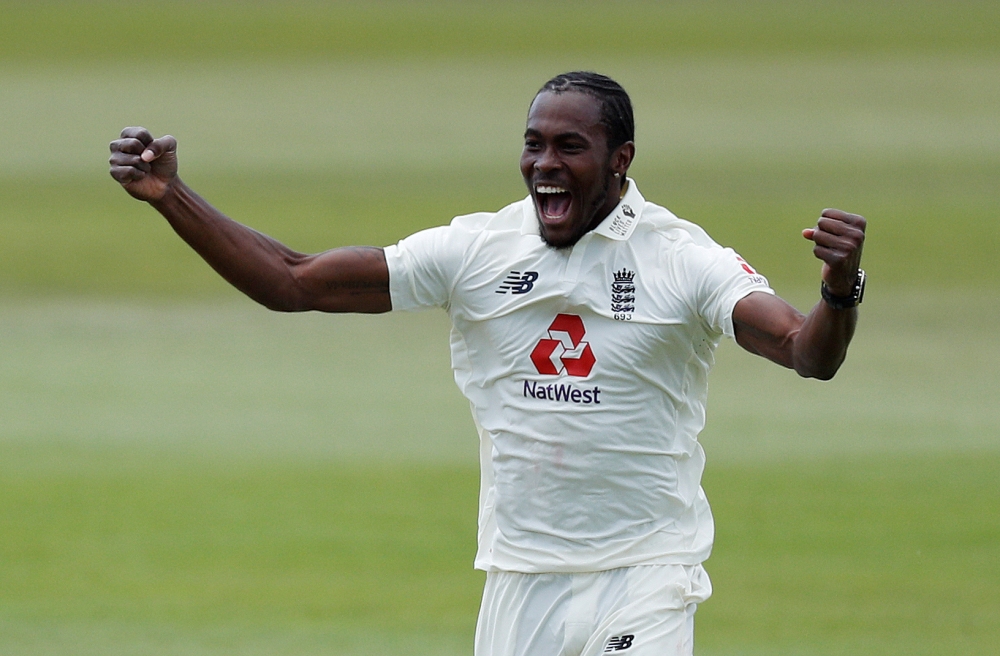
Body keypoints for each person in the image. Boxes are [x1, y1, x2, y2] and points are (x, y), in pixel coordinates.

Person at [109, 71, 865, 656]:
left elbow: (806, 353)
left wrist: (840, 289)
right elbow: (293, 281)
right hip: (519, 579)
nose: (545, 163)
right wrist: (171, 197)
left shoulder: (682, 260)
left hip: (647, 573)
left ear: (621, 159)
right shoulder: (478, 251)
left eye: (570, 147)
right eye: (534, 143)